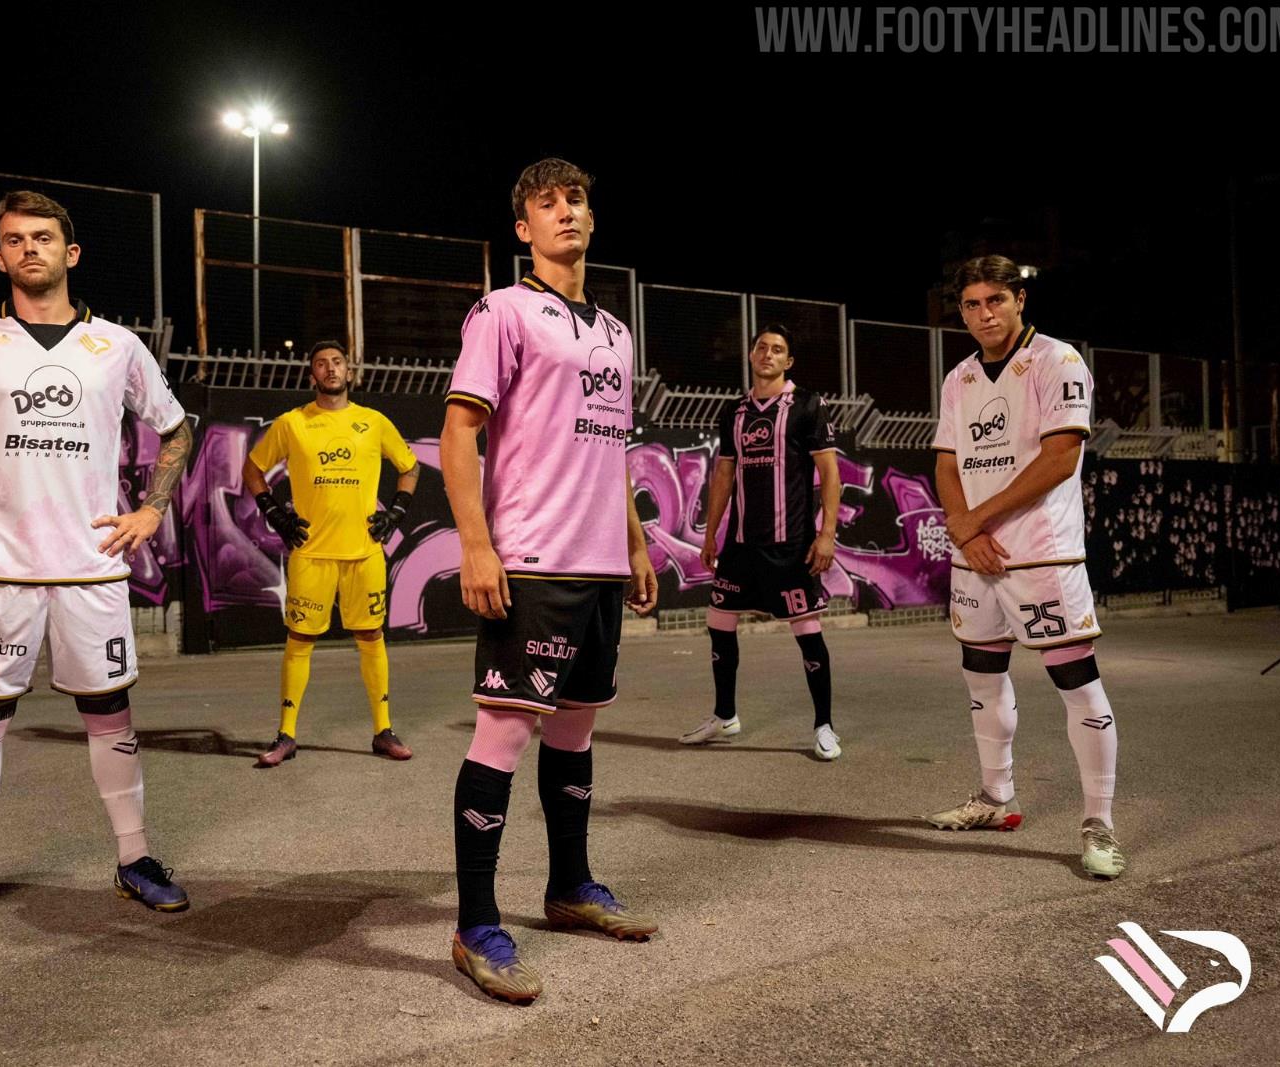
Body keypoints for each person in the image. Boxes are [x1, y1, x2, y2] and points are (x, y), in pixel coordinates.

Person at [0, 190, 193, 946]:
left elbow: (176, 431)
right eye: (14, 240)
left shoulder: (116, 345)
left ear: (71, 253)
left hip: (90, 567)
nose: (29, 249)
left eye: (43, 237)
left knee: (108, 713)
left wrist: (150, 510)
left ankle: (135, 857)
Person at [441, 158, 660, 1005]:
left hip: (601, 561)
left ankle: (569, 886)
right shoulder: (502, 311)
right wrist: (476, 545)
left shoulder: (616, 331)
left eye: (576, 200)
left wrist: (636, 542)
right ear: (523, 229)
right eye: (546, 203)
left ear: (591, 220)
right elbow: (460, 432)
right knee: (502, 734)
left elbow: (612, 449)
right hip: (530, 558)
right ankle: (473, 923)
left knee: (575, 735)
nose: (564, 211)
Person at [924, 254, 1126, 880]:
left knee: (1076, 681)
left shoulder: (1058, 360)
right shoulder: (958, 377)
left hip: (1040, 549)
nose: (984, 314)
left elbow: (1060, 457)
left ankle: (1100, 823)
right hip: (976, 552)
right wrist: (965, 526)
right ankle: (996, 798)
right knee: (982, 673)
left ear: (1018, 300)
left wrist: (972, 521)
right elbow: (946, 462)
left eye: (995, 301)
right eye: (971, 304)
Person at [242, 340, 421, 766]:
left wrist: (395, 513)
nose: (330, 369)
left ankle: (383, 730)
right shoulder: (293, 423)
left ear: (349, 371)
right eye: (321, 363)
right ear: (312, 375)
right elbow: (252, 469)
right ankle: (286, 735)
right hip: (312, 554)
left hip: (364, 553)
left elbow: (409, 467)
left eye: (337, 362)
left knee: (371, 637)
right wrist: (274, 513)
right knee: (300, 639)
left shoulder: (373, 422)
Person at [678, 325, 843, 758]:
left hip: (791, 547)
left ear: (788, 362)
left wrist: (827, 535)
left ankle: (824, 725)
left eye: (778, 350)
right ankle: (725, 715)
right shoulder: (733, 412)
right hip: (741, 546)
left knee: (807, 633)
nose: (768, 354)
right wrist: (711, 532)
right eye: (762, 347)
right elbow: (724, 476)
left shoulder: (807, 405)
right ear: (752, 355)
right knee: (718, 624)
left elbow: (830, 473)